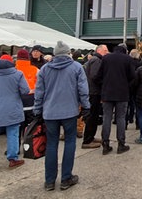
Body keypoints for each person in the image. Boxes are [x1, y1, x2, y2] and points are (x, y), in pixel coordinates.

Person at [34, 41, 91, 191]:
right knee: (70, 142)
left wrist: (37, 110)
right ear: (68, 53)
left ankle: (49, 181)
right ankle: (66, 178)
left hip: (50, 111)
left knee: (51, 144)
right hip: (69, 111)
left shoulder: (45, 69)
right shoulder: (76, 67)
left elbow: (39, 92)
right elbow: (83, 89)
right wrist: (86, 106)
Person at [94, 43, 135, 155]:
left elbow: (98, 76)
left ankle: (105, 144)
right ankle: (121, 144)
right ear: (125, 50)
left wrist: (104, 85)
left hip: (107, 93)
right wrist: (127, 87)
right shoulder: (128, 59)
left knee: (106, 118)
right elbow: (133, 77)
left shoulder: (106, 58)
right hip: (122, 93)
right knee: (121, 118)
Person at [81, 44, 109, 149]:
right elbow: (95, 76)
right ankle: (87, 140)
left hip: (94, 92)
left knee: (94, 116)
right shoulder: (96, 60)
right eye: (105, 50)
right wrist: (104, 82)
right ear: (99, 50)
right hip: (93, 92)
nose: (107, 52)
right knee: (92, 116)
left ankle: (90, 137)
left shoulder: (96, 60)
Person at [15, 49, 39, 141]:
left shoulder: (13, 69)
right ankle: (29, 146)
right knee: (30, 125)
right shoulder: (35, 69)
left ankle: (15, 147)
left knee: (16, 127)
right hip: (31, 99)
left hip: (17, 99)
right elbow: (42, 83)